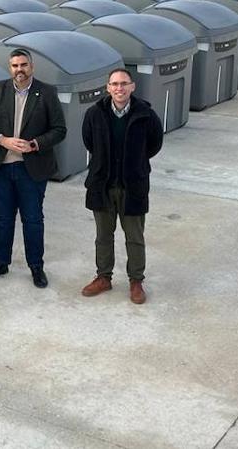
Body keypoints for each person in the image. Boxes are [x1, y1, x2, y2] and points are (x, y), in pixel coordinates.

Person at [0, 48, 66, 288]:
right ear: (10, 68)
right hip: (0, 167)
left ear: (32, 67)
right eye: (15, 66)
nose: (19, 70)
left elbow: (59, 129)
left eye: (24, 65)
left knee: (33, 219)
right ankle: (0, 262)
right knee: (2, 218)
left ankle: (36, 266)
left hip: (31, 169)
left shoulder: (46, 92)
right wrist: (2, 140)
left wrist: (35, 144)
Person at [80, 67, 164, 305]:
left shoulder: (146, 114)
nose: (119, 88)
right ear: (108, 87)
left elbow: (154, 143)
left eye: (124, 84)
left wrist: (134, 163)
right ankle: (103, 277)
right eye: (114, 84)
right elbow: (89, 141)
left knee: (135, 237)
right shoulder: (94, 114)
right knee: (103, 236)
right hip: (102, 184)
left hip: (133, 185)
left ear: (132, 87)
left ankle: (136, 280)